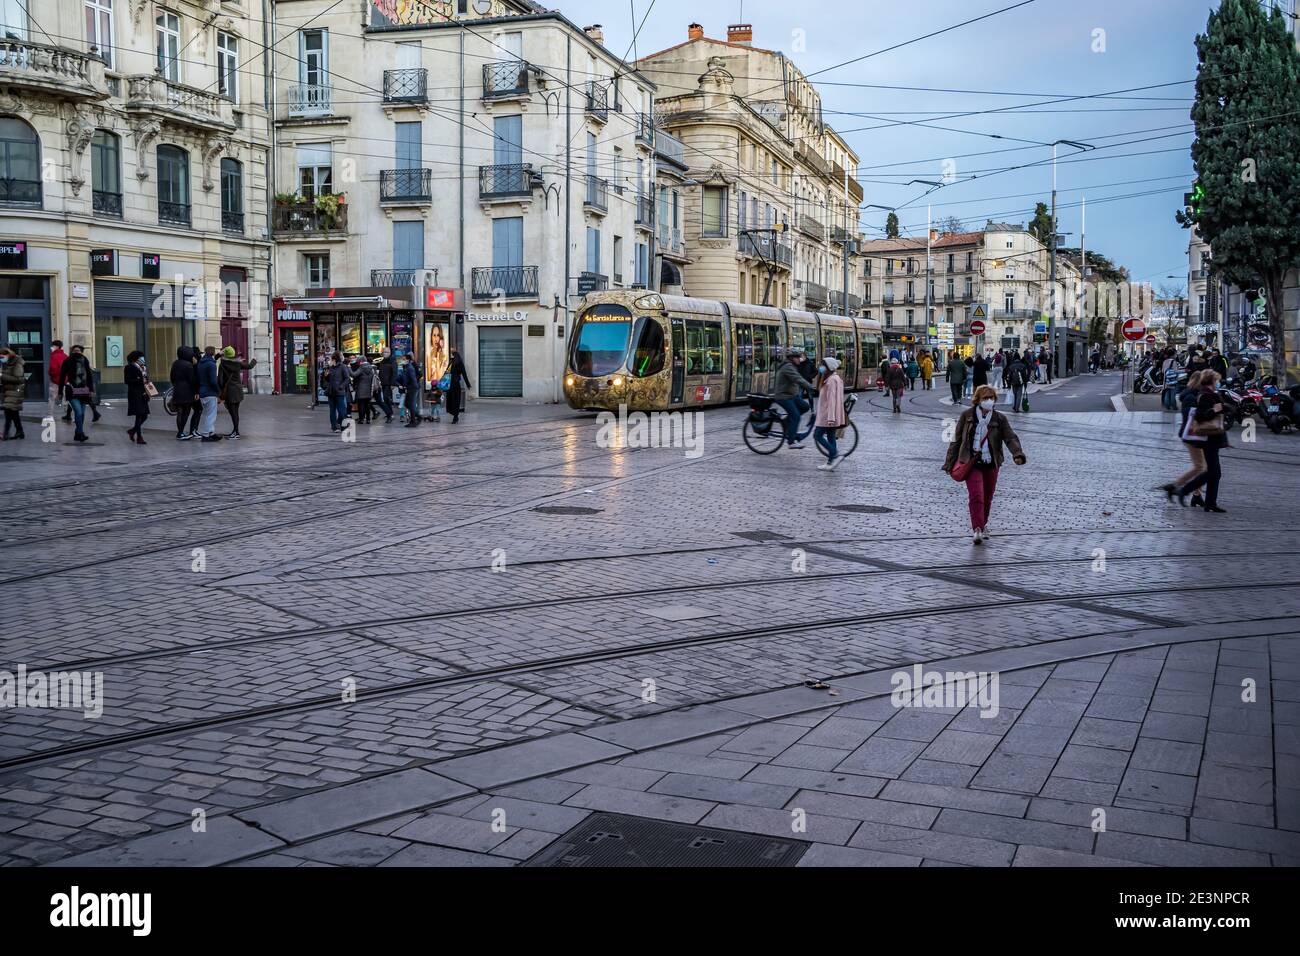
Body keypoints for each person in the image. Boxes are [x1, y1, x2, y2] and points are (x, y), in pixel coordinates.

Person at [943, 385, 1028, 545]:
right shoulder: (967, 416)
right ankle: (977, 529)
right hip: (971, 461)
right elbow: (956, 440)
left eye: (992, 398)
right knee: (977, 496)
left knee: (987, 498)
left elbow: (1010, 437)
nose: (989, 401)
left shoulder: (999, 418)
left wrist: (1017, 454)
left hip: (991, 462)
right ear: (978, 400)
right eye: (986, 398)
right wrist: (949, 463)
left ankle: (982, 525)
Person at [1174, 369, 1228, 513]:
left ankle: (1210, 503)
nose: (1218, 383)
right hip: (1208, 438)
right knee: (1212, 472)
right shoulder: (1204, 395)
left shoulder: (1212, 394)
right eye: (1216, 380)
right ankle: (1185, 491)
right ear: (1211, 381)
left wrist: (1224, 407)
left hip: (1215, 437)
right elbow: (1200, 416)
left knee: (1214, 472)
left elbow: (1222, 410)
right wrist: (1215, 410)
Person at [1161, 370, 1207, 506]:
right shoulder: (1191, 397)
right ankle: (1175, 487)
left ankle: (1196, 495)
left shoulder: (1191, 394)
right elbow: (1191, 417)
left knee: (1201, 467)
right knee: (1200, 467)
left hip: (1193, 435)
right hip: (1192, 436)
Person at [772, 349, 815, 447]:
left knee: (805, 406)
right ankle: (791, 442)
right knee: (796, 416)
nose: (799, 359)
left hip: (791, 395)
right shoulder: (788, 367)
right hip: (783, 396)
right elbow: (798, 379)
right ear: (792, 358)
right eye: (797, 357)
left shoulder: (792, 366)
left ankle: (786, 422)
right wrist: (810, 386)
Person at [217, 346, 257, 439]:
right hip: (238, 391)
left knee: (233, 412)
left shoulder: (222, 365)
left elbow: (220, 381)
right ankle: (235, 431)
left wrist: (221, 392)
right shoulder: (238, 363)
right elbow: (250, 366)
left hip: (229, 392)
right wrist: (254, 359)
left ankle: (236, 432)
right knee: (236, 412)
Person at [59, 344, 95, 442]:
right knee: (78, 412)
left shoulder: (85, 360)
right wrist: (60, 392)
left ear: (81, 352)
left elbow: (89, 375)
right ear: (72, 351)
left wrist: (91, 389)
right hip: (72, 390)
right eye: (75, 350)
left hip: (84, 391)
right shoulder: (67, 361)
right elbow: (62, 376)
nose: (76, 352)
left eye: (78, 351)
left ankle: (77, 433)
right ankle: (80, 433)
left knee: (82, 414)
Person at [814, 356, 845, 471]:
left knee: (817, 435)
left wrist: (831, 417)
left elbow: (832, 400)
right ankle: (830, 462)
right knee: (831, 437)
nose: (821, 367)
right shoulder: (834, 378)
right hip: (831, 415)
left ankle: (835, 454)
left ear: (828, 368)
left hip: (827, 415)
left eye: (823, 365)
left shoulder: (831, 381)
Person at [170, 347, 201, 440]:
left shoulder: (175, 363)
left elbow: (172, 377)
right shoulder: (188, 365)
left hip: (177, 390)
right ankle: (182, 433)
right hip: (187, 391)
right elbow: (193, 380)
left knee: (180, 412)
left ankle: (180, 432)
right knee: (186, 412)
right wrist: (196, 391)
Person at [123, 349, 151, 444]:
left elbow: (145, 379)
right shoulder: (129, 367)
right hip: (135, 394)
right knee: (139, 415)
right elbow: (127, 381)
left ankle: (132, 431)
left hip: (143, 393)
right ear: (136, 359)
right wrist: (139, 380)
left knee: (145, 415)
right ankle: (139, 437)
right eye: (140, 357)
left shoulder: (143, 367)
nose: (142, 359)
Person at [196, 346, 223, 442]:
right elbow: (213, 381)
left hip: (202, 391)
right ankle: (205, 435)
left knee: (208, 414)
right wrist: (218, 392)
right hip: (210, 392)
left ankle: (211, 432)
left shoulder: (201, 363)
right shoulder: (211, 365)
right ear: (213, 353)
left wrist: (218, 356)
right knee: (211, 415)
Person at [323, 351, 352, 432]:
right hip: (331, 391)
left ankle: (343, 426)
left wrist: (341, 386)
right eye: (342, 355)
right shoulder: (330, 367)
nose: (343, 356)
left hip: (339, 392)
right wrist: (326, 375)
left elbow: (347, 379)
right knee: (332, 410)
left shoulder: (343, 366)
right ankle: (334, 427)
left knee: (341, 410)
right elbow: (327, 379)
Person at [1, 347, 25, 440]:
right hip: (10, 391)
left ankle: (5, 434)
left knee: (8, 412)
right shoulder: (9, 363)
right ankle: (20, 432)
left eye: (2, 357)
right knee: (14, 413)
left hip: (16, 391)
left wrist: (2, 375)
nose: (1, 359)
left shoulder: (17, 363)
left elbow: (18, 379)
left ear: (8, 355)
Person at [444, 347, 471, 424]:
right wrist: (468, 384)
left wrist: (442, 383)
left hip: (451, 384)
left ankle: (454, 416)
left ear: (453, 355)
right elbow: (464, 374)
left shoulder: (453, 362)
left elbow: (447, 372)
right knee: (455, 401)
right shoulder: (457, 362)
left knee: (452, 400)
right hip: (455, 384)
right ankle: (455, 416)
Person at [350, 353, 376, 424]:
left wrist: (348, 368)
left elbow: (354, 375)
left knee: (361, 405)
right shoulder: (371, 368)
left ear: (361, 361)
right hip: (369, 389)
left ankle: (361, 419)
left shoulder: (362, 367)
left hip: (361, 389)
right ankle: (368, 419)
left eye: (358, 362)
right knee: (367, 404)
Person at [375, 348, 396, 423]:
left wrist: (393, 383)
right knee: (386, 399)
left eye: (386, 352)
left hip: (388, 383)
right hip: (383, 383)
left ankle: (390, 414)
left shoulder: (392, 360)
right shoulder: (383, 361)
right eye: (383, 352)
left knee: (386, 398)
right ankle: (390, 414)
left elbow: (394, 372)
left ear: (390, 352)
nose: (384, 353)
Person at [48, 339, 66, 414]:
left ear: (56, 346)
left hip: (55, 380)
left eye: (52, 346)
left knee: (52, 399)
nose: (51, 347)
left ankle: (50, 414)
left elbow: (53, 369)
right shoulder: (65, 356)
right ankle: (68, 415)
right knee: (66, 399)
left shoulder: (54, 356)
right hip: (65, 380)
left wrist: (50, 373)